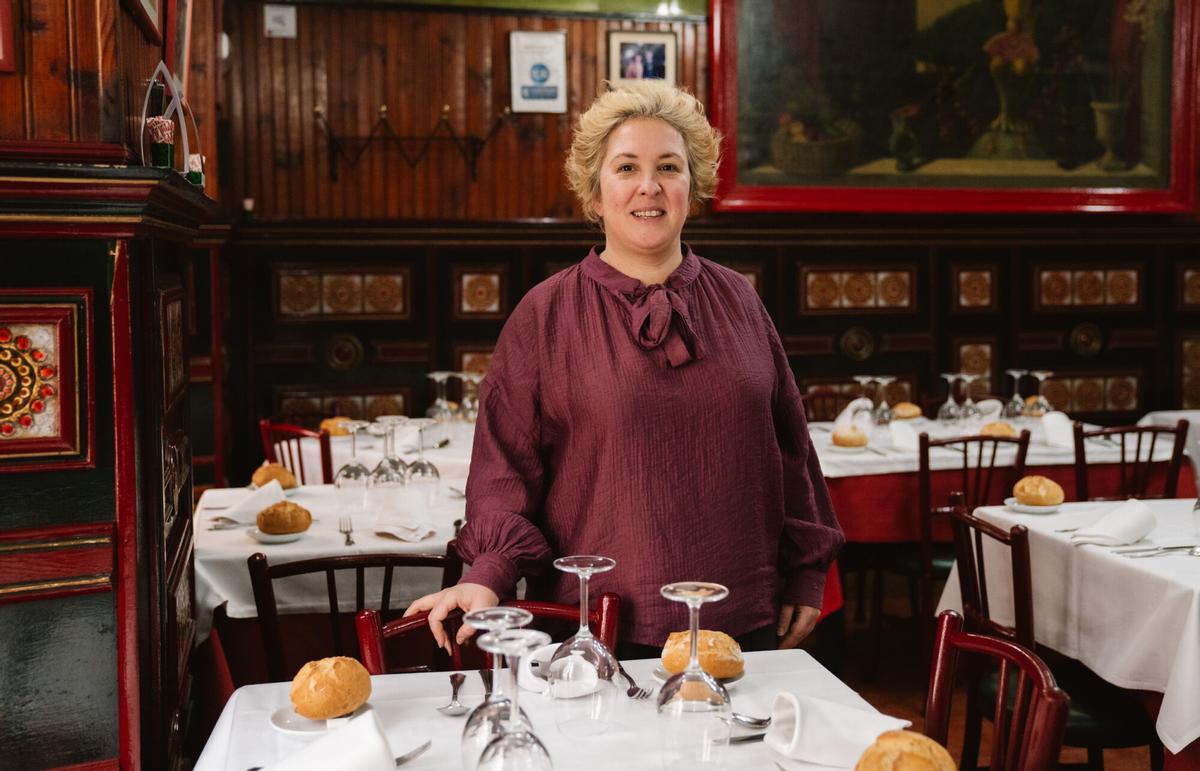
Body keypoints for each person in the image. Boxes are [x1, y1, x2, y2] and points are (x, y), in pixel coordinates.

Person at [405, 81, 843, 658]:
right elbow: (504, 469)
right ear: (594, 191)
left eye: (669, 166)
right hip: (596, 631)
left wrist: (806, 572)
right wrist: (487, 574)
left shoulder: (740, 298)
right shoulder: (544, 314)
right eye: (627, 167)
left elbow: (791, 450)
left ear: (693, 184)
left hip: (740, 621)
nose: (649, 186)